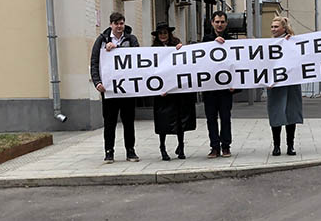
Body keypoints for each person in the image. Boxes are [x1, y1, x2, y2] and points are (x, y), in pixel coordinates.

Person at [90, 12, 141, 164]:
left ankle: (130, 150)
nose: (119, 26)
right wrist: (97, 82)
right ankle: (109, 151)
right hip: (109, 90)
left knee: (129, 121)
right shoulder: (101, 40)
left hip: (127, 90)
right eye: (116, 24)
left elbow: (137, 58)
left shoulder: (131, 39)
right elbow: (94, 62)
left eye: (122, 23)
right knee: (110, 122)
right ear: (111, 24)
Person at [151, 22, 196, 161]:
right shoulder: (153, 49)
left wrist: (181, 50)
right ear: (157, 36)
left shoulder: (177, 45)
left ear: (169, 34)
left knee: (180, 119)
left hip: (177, 90)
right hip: (162, 91)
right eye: (160, 33)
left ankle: (181, 146)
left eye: (165, 33)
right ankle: (162, 147)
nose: (163, 35)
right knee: (162, 120)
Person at [201, 10, 236, 158]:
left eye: (222, 22)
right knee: (211, 118)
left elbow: (237, 64)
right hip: (209, 87)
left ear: (226, 23)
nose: (220, 24)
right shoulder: (206, 40)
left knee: (225, 117)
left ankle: (226, 146)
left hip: (226, 88)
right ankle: (214, 146)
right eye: (217, 22)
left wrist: (236, 83)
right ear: (212, 23)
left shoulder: (233, 41)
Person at [266, 16, 303, 156]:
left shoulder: (294, 42)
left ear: (284, 28)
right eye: (272, 26)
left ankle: (290, 145)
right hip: (275, 84)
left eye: (276, 27)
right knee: (276, 114)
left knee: (291, 113)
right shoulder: (268, 44)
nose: (273, 29)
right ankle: (276, 146)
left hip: (291, 83)